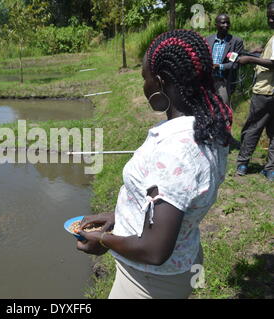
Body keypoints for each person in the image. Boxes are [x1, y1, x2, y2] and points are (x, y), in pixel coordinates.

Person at [75, 30, 233, 299]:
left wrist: (102, 240)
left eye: (144, 78)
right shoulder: (206, 127)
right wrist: (118, 218)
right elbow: (175, 203)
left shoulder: (176, 150)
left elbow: (154, 250)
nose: (144, 86)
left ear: (159, 82)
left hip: (148, 283)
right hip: (179, 265)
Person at [235, 2, 274, 181]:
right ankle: (270, 169)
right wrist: (258, 54)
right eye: (268, 16)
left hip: (265, 92)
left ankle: (243, 163)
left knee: (253, 127)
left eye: (273, 15)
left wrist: (250, 59)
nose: (270, 19)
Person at [206, 14, 244, 107]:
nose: (226, 25)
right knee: (207, 109)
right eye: (223, 23)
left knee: (223, 110)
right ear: (216, 25)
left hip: (223, 82)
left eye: (228, 23)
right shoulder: (207, 39)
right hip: (208, 81)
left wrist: (219, 66)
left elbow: (235, 64)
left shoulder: (236, 42)